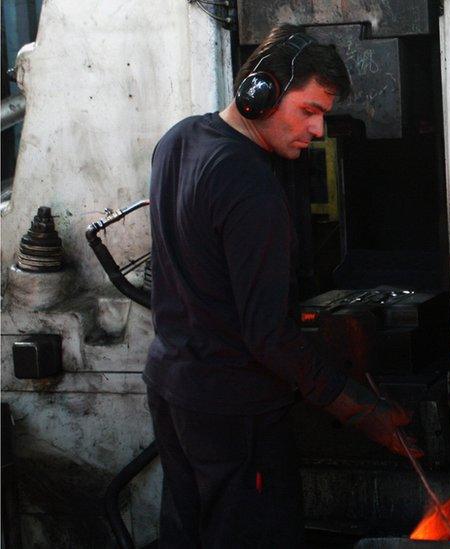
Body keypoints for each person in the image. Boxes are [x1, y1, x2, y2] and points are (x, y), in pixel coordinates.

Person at [143, 24, 420, 548]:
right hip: (234, 409)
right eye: (308, 111)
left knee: (187, 532)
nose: (317, 131)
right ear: (260, 92)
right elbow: (268, 334)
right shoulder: (250, 186)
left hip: (173, 385)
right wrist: (362, 410)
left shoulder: (179, 139)